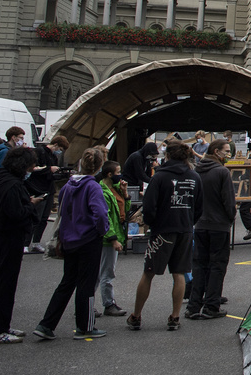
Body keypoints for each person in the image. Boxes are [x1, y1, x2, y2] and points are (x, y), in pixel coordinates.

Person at [33, 146, 110, 341]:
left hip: (69, 239)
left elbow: (62, 213)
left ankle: (46, 324)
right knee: (87, 284)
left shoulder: (68, 186)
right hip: (89, 239)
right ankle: (85, 326)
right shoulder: (93, 186)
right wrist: (101, 230)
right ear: (100, 166)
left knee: (67, 282)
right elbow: (100, 214)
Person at [127, 140, 200, 332]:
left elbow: (149, 206)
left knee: (149, 272)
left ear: (167, 156)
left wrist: (153, 223)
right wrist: (189, 221)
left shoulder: (159, 177)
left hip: (162, 230)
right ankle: (175, 317)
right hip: (185, 229)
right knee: (179, 273)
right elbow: (199, 207)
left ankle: (136, 315)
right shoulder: (194, 177)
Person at [0, 146, 44, 343]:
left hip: (2, 236)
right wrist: (30, 204)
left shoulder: (0, 178)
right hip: (9, 237)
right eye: (30, 167)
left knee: (5, 283)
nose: (30, 171)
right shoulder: (13, 186)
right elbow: (16, 213)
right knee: (4, 285)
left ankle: (3, 325)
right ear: (22, 166)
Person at [186, 139, 236, 321]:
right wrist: (231, 217)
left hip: (200, 224)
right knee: (217, 265)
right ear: (216, 152)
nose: (228, 154)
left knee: (199, 264)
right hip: (219, 224)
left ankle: (194, 304)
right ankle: (212, 305)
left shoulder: (196, 171)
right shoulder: (222, 172)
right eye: (226, 151)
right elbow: (229, 201)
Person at [96, 161, 128, 319]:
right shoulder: (102, 191)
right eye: (118, 172)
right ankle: (108, 304)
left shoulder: (115, 190)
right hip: (108, 238)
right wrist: (113, 239)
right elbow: (105, 218)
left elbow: (124, 212)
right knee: (107, 272)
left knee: (98, 272)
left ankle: (87, 302)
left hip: (113, 234)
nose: (120, 175)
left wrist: (125, 194)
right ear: (109, 174)